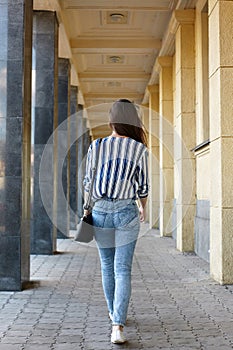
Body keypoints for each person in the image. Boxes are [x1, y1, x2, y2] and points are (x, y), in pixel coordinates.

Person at [83, 99, 149, 344]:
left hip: (99, 211)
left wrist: (87, 208)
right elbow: (142, 186)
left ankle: (114, 314)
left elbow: (88, 182)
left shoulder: (96, 146)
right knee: (123, 270)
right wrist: (142, 207)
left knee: (107, 267)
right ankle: (117, 325)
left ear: (111, 120)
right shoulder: (139, 149)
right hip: (126, 211)